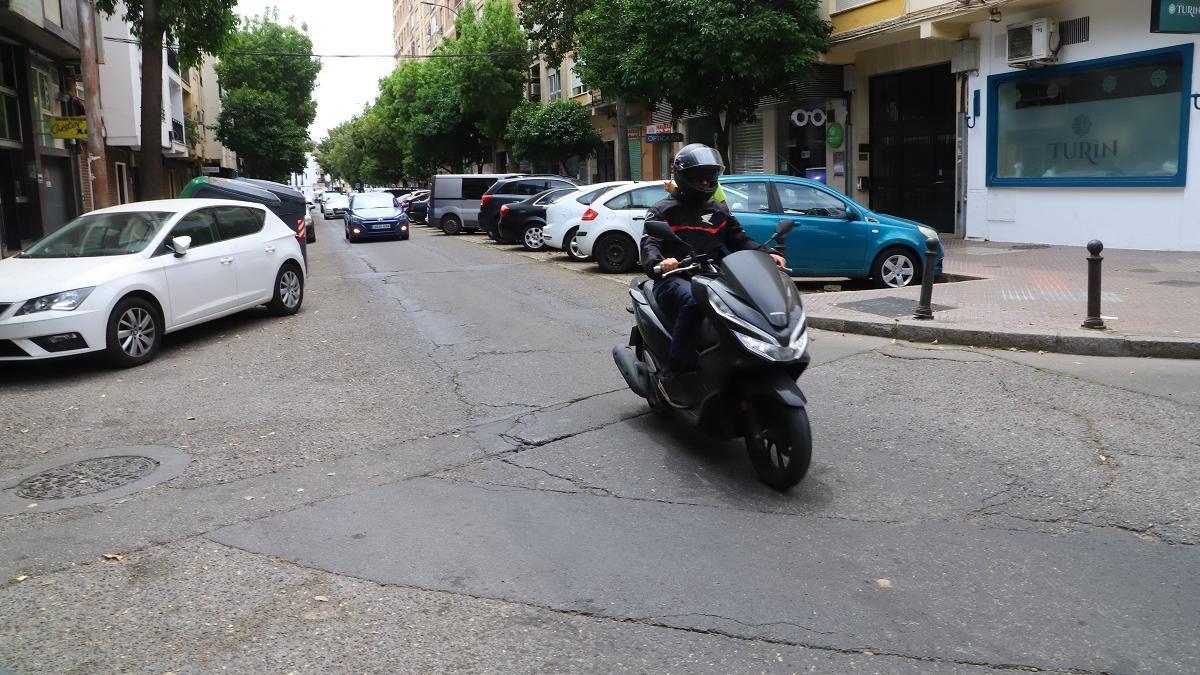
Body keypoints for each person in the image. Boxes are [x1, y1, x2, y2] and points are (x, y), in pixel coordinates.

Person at [641, 143, 786, 408]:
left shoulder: (718, 211)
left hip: (714, 278)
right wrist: (662, 262)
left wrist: (766, 254)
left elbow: (740, 240)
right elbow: (650, 245)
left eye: (710, 176)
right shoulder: (663, 210)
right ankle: (677, 374)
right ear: (683, 176)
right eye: (700, 177)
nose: (706, 181)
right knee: (695, 303)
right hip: (675, 279)